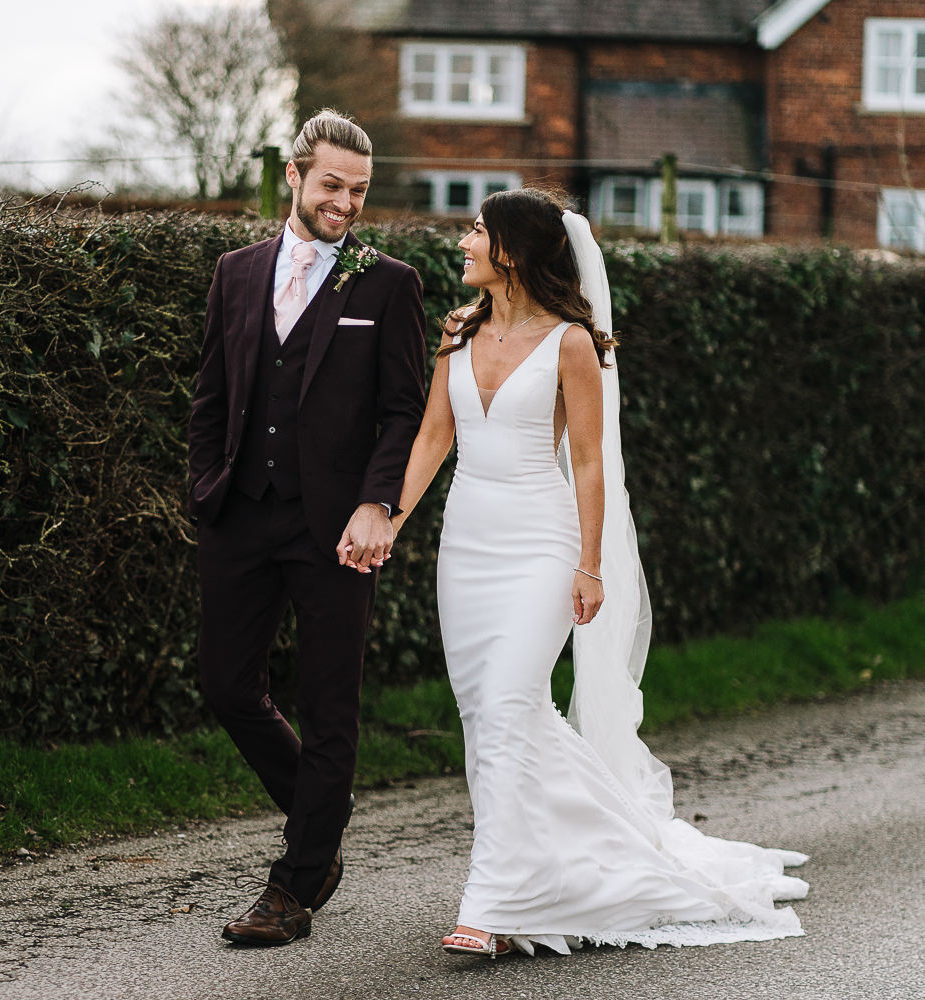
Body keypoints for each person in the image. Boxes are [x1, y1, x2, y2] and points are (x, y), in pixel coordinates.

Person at [390, 186, 809, 957]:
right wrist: (389, 521)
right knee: (492, 718)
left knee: (510, 703)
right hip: (468, 547)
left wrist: (590, 565)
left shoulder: (571, 344)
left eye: (477, 232)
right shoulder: (457, 331)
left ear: (512, 251)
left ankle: (493, 904)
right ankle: (582, 867)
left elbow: (588, 463)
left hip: (541, 545)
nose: (464, 242)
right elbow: (431, 438)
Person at [187, 109, 428, 946]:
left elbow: (404, 412)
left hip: (337, 529)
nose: (345, 204)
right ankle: (322, 812)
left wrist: (377, 503)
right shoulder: (235, 272)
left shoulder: (388, 283)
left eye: (358, 191)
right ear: (293, 177)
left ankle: (294, 885)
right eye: (332, 185)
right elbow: (212, 393)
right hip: (240, 514)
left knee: (330, 707)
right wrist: (205, 486)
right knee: (226, 685)